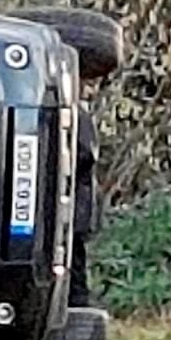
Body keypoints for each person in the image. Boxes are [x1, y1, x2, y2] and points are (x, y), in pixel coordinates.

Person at [69, 104, 99, 308]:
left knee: (75, 256)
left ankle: (78, 304)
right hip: (77, 203)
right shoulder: (78, 115)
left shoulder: (78, 116)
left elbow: (84, 156)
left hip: (77, 203)